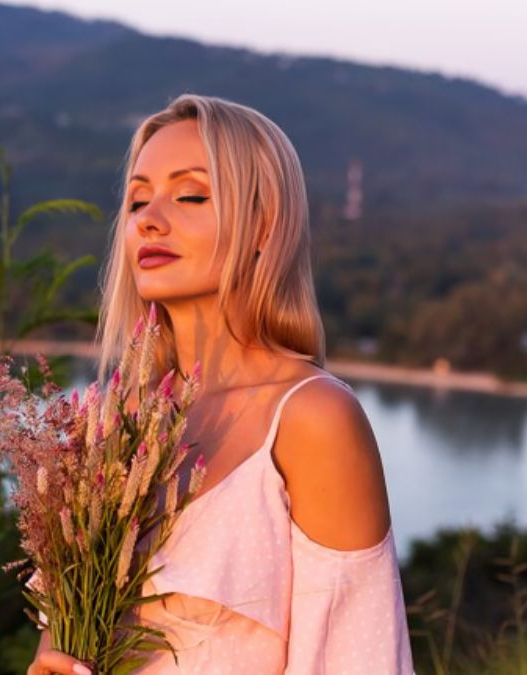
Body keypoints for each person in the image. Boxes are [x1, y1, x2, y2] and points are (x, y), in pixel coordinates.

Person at [26, 94, 415, 674]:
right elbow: (60, 648)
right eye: (137, 200)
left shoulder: (312, 419)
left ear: (264, 224)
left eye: (190, 195)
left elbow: (358, 658)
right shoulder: (109, 429)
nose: (149, 219)